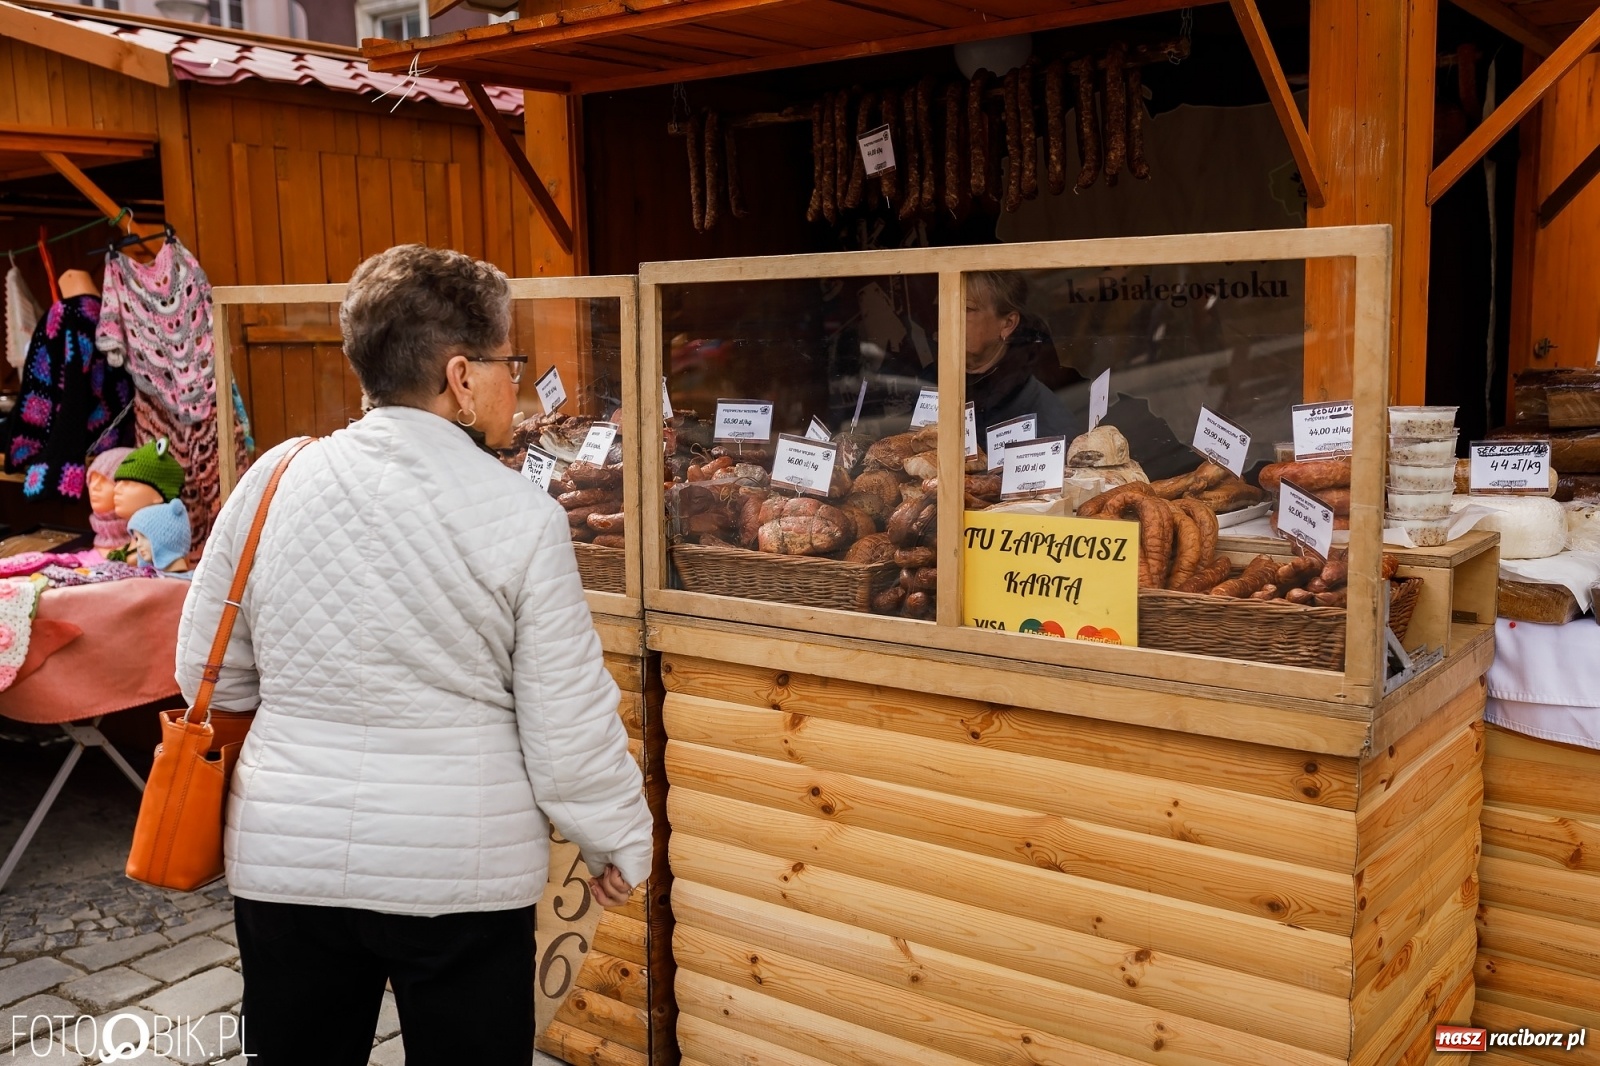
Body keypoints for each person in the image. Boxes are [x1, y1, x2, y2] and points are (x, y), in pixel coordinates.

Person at [176, 245, 653, 1066]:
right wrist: (617, 839)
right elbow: (566, 724)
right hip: (459, 881)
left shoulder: (272, 479)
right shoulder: (521, 515)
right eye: (510, 362)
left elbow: (204, 671)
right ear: (461, 377)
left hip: (287, 858)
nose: (516, 380)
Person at [965, 271, 1075, 443]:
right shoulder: (927, 380)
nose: (947, 317)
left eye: (967, 309)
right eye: (945, 306)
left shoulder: (1036, 405)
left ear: (1008, 324)